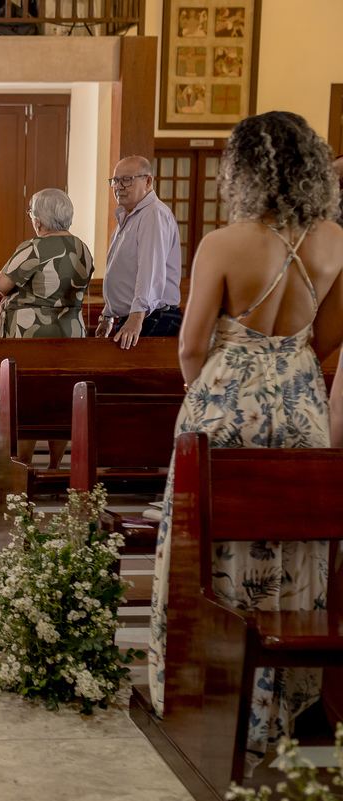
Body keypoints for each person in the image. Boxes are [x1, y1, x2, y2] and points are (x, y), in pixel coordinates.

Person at [147, 111, 343, 773]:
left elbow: (191, 343)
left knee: (207, 552)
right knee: (291, 551)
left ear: (245, 170)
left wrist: (208, 397)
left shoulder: (225, 243)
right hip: (299, 405)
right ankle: (276, 710)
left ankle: (205, 695)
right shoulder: (335, 242)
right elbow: (327, 340)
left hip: (226, 400)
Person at [0, 187, 94, 469]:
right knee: (59, 398)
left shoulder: (34, 247)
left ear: (39, 220)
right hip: (70, 332)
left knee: (29, 400)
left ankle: (22, 467)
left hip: (32, 335)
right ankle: (54, 466)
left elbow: (2, 284)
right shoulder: (82, 248)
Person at [96, 156, 183, 350]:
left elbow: (149, 271)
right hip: (137, 315)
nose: (118, 186)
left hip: (152, 316)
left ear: (148, 181)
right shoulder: (127, 215)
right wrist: (107, 315)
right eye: (115, 181)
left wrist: (136, 318)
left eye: (126, 180)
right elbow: (121, 271)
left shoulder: (153, 213)